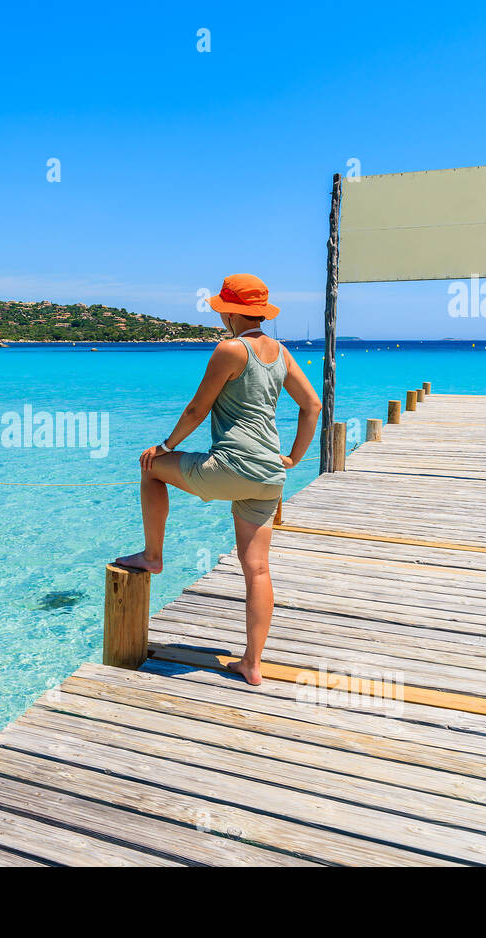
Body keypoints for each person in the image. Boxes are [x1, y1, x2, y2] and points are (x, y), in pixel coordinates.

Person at [116, 273, 321, 685]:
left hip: (230, 467)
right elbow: (312, 405)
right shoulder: (280, 352)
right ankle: (252, 664)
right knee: (257, 569)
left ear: (231, 311)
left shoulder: (230, 349)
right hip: (269, 477)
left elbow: (196, 409)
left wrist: (164, 446)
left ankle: (153, 555)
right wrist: (295, 458)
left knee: (151, 471)